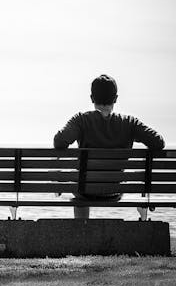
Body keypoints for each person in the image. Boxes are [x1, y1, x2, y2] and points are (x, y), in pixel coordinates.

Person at [53, 74, 165, 218]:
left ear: (92, 98)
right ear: (116, 99)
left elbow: (59, 141)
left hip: (84, 190)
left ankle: (82, 227)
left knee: (72, 181)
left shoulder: (81, 120)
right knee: (79, 182)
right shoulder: (130, 123)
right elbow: (158, 142)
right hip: (115, 190)